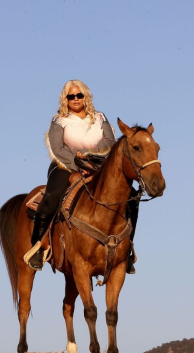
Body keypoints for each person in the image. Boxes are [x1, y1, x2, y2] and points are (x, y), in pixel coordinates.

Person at [27, 79, 119, 271]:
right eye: (71, 96)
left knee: (128, 195)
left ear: (86, 96)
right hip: (65, 166)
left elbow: (110, 141)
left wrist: (91, 153)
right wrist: (77, 163)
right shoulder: (59, 120)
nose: (76, 99)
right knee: (52, 197)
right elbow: (57, 148)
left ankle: (127, 248)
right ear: (65, 99)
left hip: (98, 165)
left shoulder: (100, 117)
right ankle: (37, 247)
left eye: (79, 95)